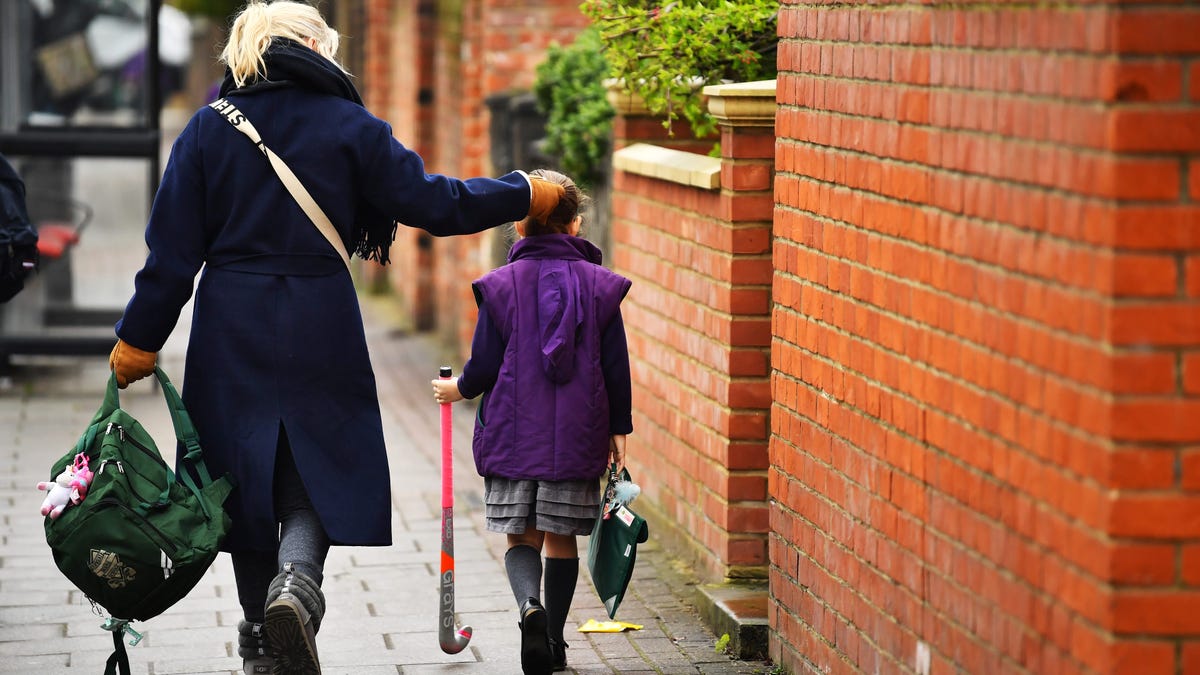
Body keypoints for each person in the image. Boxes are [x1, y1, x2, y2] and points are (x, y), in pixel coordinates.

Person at [106, 3, 564, 675]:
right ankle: (297, 584)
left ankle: (264, 638)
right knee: (319, 470)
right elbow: (439, 202)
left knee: (237, 480)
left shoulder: (206, 131)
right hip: (320, 314)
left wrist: (139, 339)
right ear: (319, 48)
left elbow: (171, 253)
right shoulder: (351, 126)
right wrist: (524, 192)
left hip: (230, 322)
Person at [431, 169, 632, 674]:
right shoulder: (601, 289)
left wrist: (455, 390)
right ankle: (557, 640)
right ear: (576, 225)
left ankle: (528, 608)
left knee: (522, 537)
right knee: (561, 536)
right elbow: (615, 366)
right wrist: (619, 430)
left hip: (512, 435)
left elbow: (482, 366)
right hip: (577, 436)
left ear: (519, 229)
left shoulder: (501, 287)